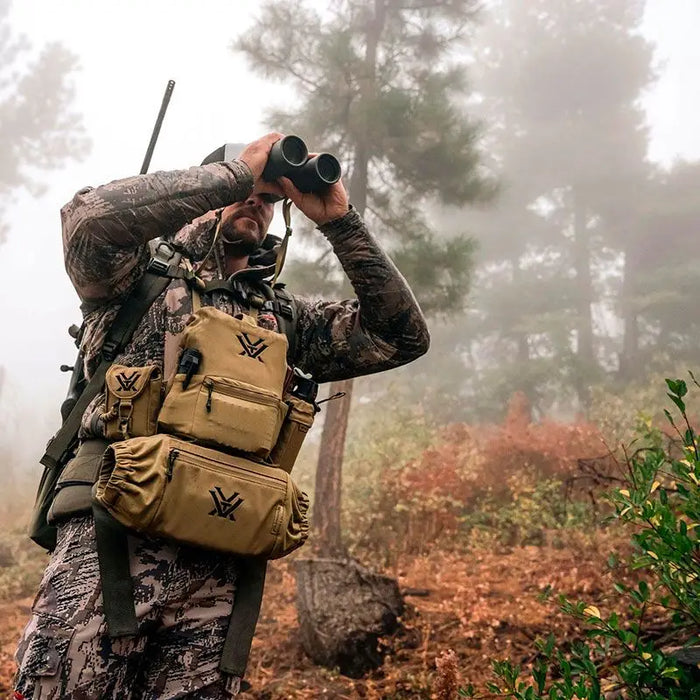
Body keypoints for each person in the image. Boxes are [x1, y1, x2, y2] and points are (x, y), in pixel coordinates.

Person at [14, 132, 430, 699]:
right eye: (248, 192)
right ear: (202, 191)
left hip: (221, 560)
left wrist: (339, 221)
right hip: (110, 541)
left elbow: (400, 336)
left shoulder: (282, 317)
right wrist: (238, 175)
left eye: (269, 200)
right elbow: (86, 219)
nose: (257, 204)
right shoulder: (132, 278)